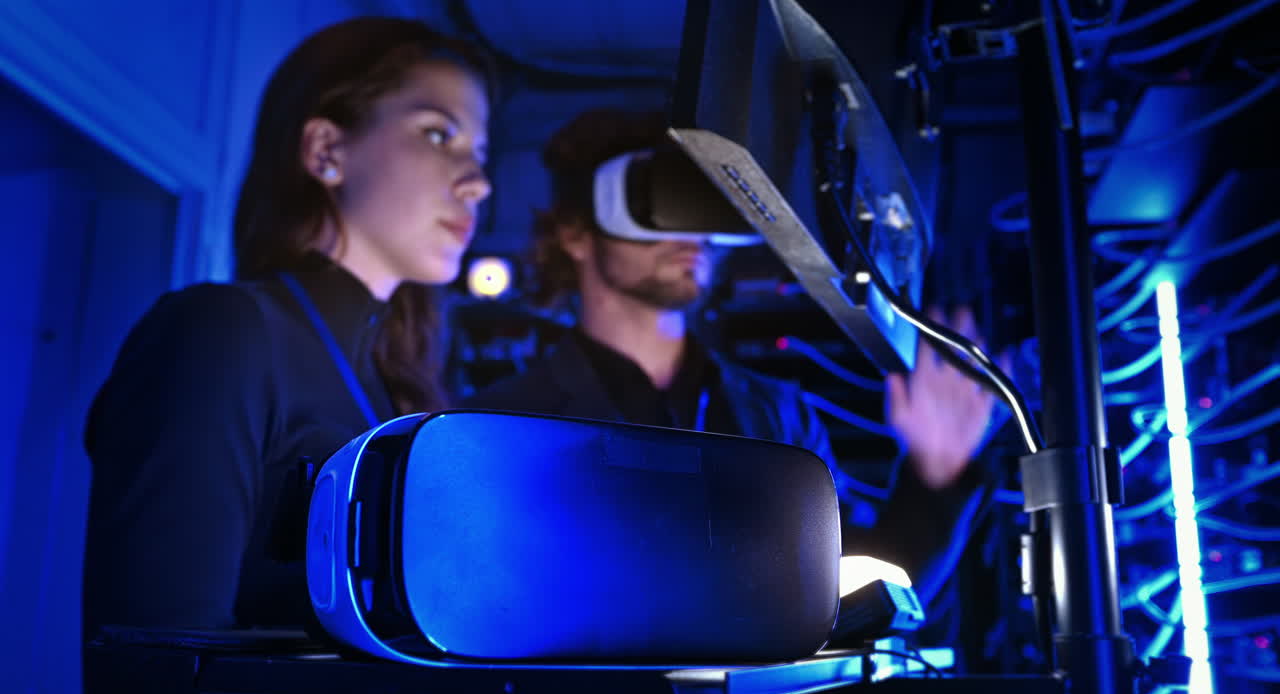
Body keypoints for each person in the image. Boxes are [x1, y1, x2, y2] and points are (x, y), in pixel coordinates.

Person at [82, 17, 493, 636]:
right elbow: (156, 663)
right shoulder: (219, 332)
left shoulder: (400, 386)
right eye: (439, 135)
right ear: (326, 151)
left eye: (481, 156)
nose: (478, 184)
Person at [463, 108, 1001, 576]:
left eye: (702, 205)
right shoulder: (503, 425)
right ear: (575, 234)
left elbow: (854, 595)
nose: (688, 232)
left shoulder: (779, 417)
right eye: (659, 202)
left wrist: (934, 478)